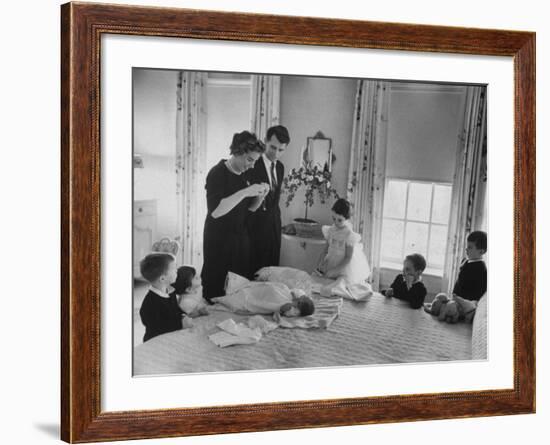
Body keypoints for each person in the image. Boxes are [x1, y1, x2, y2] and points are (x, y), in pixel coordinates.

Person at [201, 131, 270, 302]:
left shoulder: (246, 174)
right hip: (218, 241)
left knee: (237, 292)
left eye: (255, 161)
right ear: (237, 152)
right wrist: (245, 192)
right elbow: (216, 211)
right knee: (216, 291)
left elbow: (250, 209)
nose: (252, 166)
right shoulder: (217, 173)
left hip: (240, 240)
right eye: (250, 160)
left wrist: (261, 195)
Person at [246, 125, 290, 273]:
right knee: (254, 273)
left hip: (274, 227)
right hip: (254, 229)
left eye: (281, 150)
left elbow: (274, 200)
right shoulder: (252, 164)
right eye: (273, 147)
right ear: (265, 141)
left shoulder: (280, 168)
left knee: (272, 272)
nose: (276, 153)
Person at [138, 253, 193, 343]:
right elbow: (158, 327)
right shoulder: (150, 303)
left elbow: (175, 310)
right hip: (155, 341)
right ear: (163, 279)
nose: (177, 271)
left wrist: (184, 315)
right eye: (174, 269)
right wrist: (180, 324)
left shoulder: (170, 291)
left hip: (171, 336)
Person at [316, 198, 371, 284]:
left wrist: (335, 270)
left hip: (343, 267)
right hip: (331, 262)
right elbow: (325, 250)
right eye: (334, 218)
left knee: (340, 285)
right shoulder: (330, 230)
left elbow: (348, 257)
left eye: (340, 220)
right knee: (326, 283)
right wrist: (321, 261)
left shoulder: (349, 235)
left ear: (347, 219)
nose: (336, 222)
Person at [211, 281, 315, 317]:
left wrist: (291, 305)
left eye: (301, 304)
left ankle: (220, 299)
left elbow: (284, 309)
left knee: (239, 299)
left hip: (261, 301)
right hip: (262, 291)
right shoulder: (295, 294)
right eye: (302, 300)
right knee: (247, 289)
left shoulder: (293, 309)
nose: (300, 302)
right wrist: (296, 297)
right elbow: (297, 292)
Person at [452, 231, 487, 301]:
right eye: (467, 246)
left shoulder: (481, 269)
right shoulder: (466, 261)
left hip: (465, 303)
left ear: (481, 251)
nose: (466, 249)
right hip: (457, 298)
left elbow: (477, 293)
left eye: (470, 247)